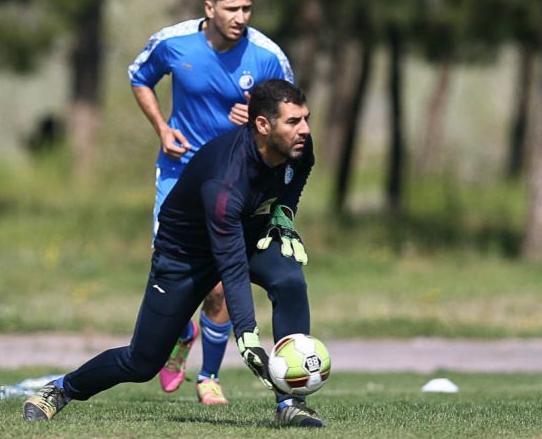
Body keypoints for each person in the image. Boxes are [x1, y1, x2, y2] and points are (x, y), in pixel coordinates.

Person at [23, 79, 324, 427]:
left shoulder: (299, 147)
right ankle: (60, 389)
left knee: (288, 279)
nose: (305, 129)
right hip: (185, 255)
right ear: (262, 125)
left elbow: (294, 181)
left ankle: (291, 401)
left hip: (244, 234)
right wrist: (247, 336)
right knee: (142, 363)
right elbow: (232, 266)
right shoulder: (224, 180)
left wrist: (283, 215)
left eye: (306, 118)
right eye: (293, 121)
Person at [127, 0, 294, 404]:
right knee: (170, 271)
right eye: (232, 8)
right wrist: (162, 128)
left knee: (221, 281)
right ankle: (182, 335)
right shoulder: (173, 42)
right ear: (210, 8)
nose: (240, 16)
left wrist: (259, 119)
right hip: (180, 175)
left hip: (234, 179)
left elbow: (289, 113)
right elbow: (139, 78)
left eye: (247, 9)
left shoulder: (266, 55)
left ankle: (210, 376)